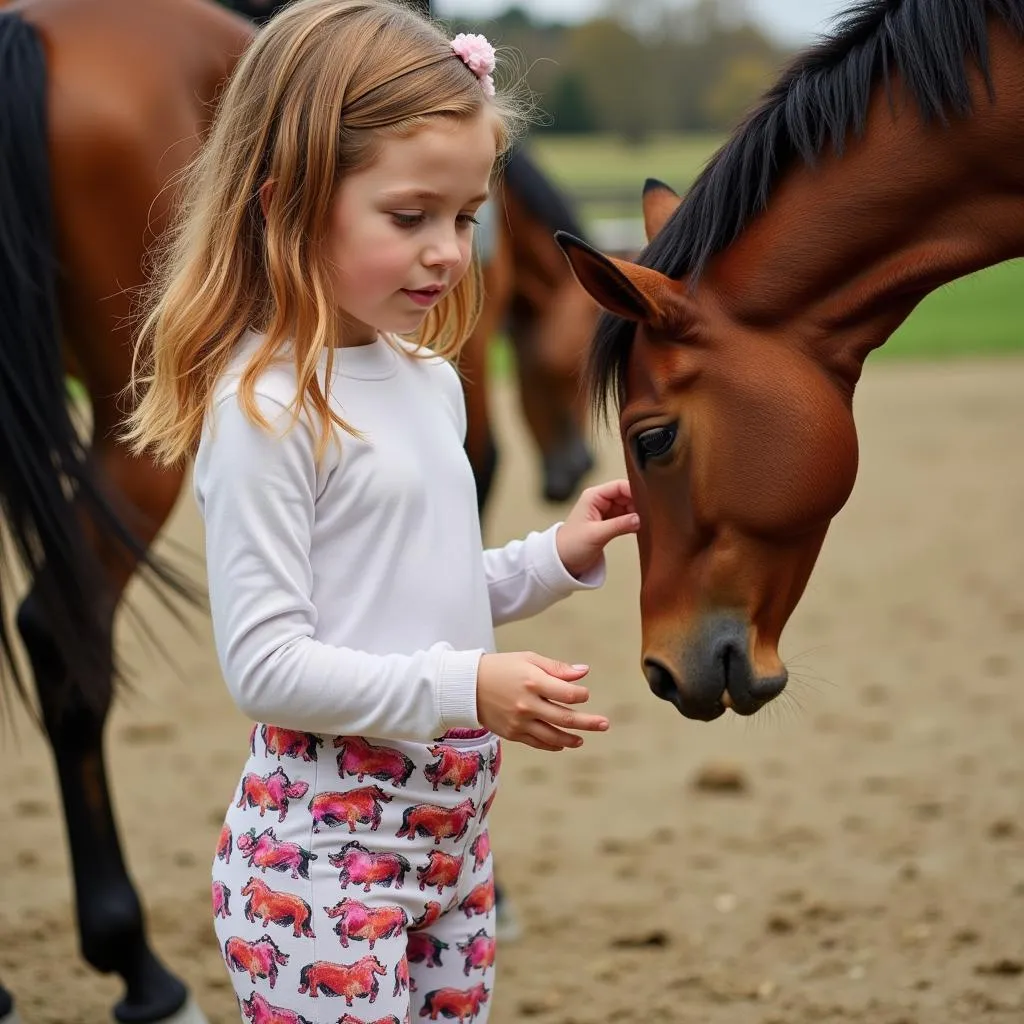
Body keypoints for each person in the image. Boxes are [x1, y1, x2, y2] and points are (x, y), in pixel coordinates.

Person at [126, 2, 638, 1019]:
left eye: (465, 215)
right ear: (289, 205)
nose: (448, 251)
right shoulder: (267, 406)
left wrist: (552, 556)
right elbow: (266, 665)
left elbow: (417, 594)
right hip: (319, 873)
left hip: (453, 855)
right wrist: (468, 686)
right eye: (409, 217)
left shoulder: (430, 380)